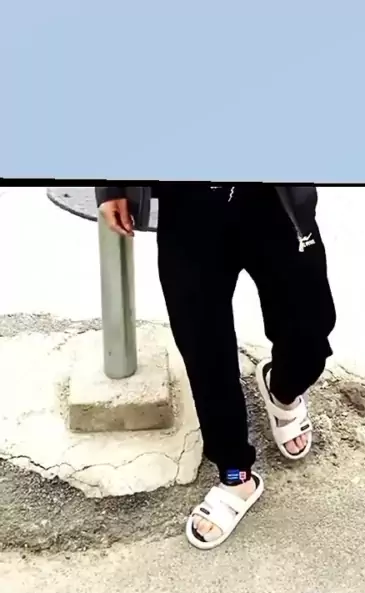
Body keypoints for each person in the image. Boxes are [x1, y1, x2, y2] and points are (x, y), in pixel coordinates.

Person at [96, 183, 336, 550]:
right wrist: (110, 185)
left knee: (309, 333)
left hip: (273, 198)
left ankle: (284, 390)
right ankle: (235, 474)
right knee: (205, 350)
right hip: (188, 204)